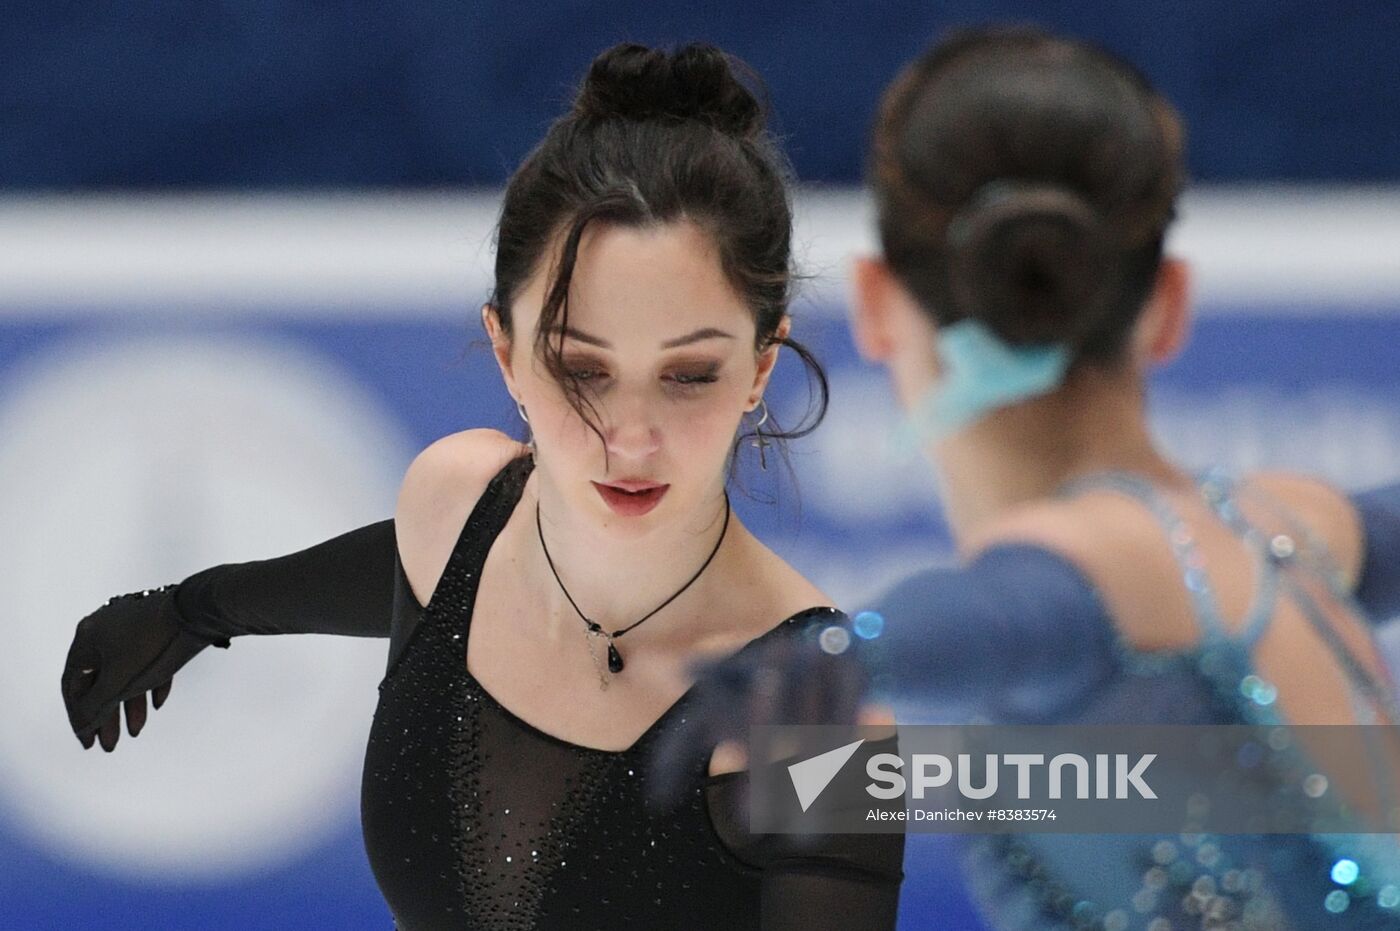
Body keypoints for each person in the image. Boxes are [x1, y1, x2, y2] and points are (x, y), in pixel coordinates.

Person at [59, 43, 903, 930]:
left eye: (689, 374)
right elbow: (403, 571)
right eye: (583, 367)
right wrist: (195, 608)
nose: (631, 435)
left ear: (761, 369)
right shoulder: (458, 506)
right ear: (506, 351)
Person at [668, 26, 1400, 930]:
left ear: (872, 304)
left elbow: (1017, 612)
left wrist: (839, 657)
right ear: (1168, 305)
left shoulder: (1094, 570)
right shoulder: (1294, 529)